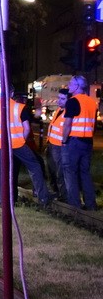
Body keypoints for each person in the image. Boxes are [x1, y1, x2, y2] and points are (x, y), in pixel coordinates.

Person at [0, 88, 51, 207]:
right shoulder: (20, 107)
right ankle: (43, 198)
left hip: (0, 146)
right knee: (35, 166)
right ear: (12, 93)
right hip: (18, 145)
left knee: (1, 172)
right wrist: (21, 140)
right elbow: (26, 128)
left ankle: (1, 201)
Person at [60, 74, 97, 210]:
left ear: (77, 86)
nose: (68, 85)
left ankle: (74, 206)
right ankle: (91, 205)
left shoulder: (72, 101)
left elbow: (67, 124)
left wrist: (64, 141)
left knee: (70, 173)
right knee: (85, 173)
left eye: (70, 83)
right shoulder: (92, 102)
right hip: (88, 142)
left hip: (74, 142)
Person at [45, 87, 69, 203]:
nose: (59, 101)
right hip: (51, 144)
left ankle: (63, 195)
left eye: (63, 99)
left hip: (59, 146)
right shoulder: (59, 110)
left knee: (60, 172)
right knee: (52, 170)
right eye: (59, 98)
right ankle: (56, 191)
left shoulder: (67, 113)